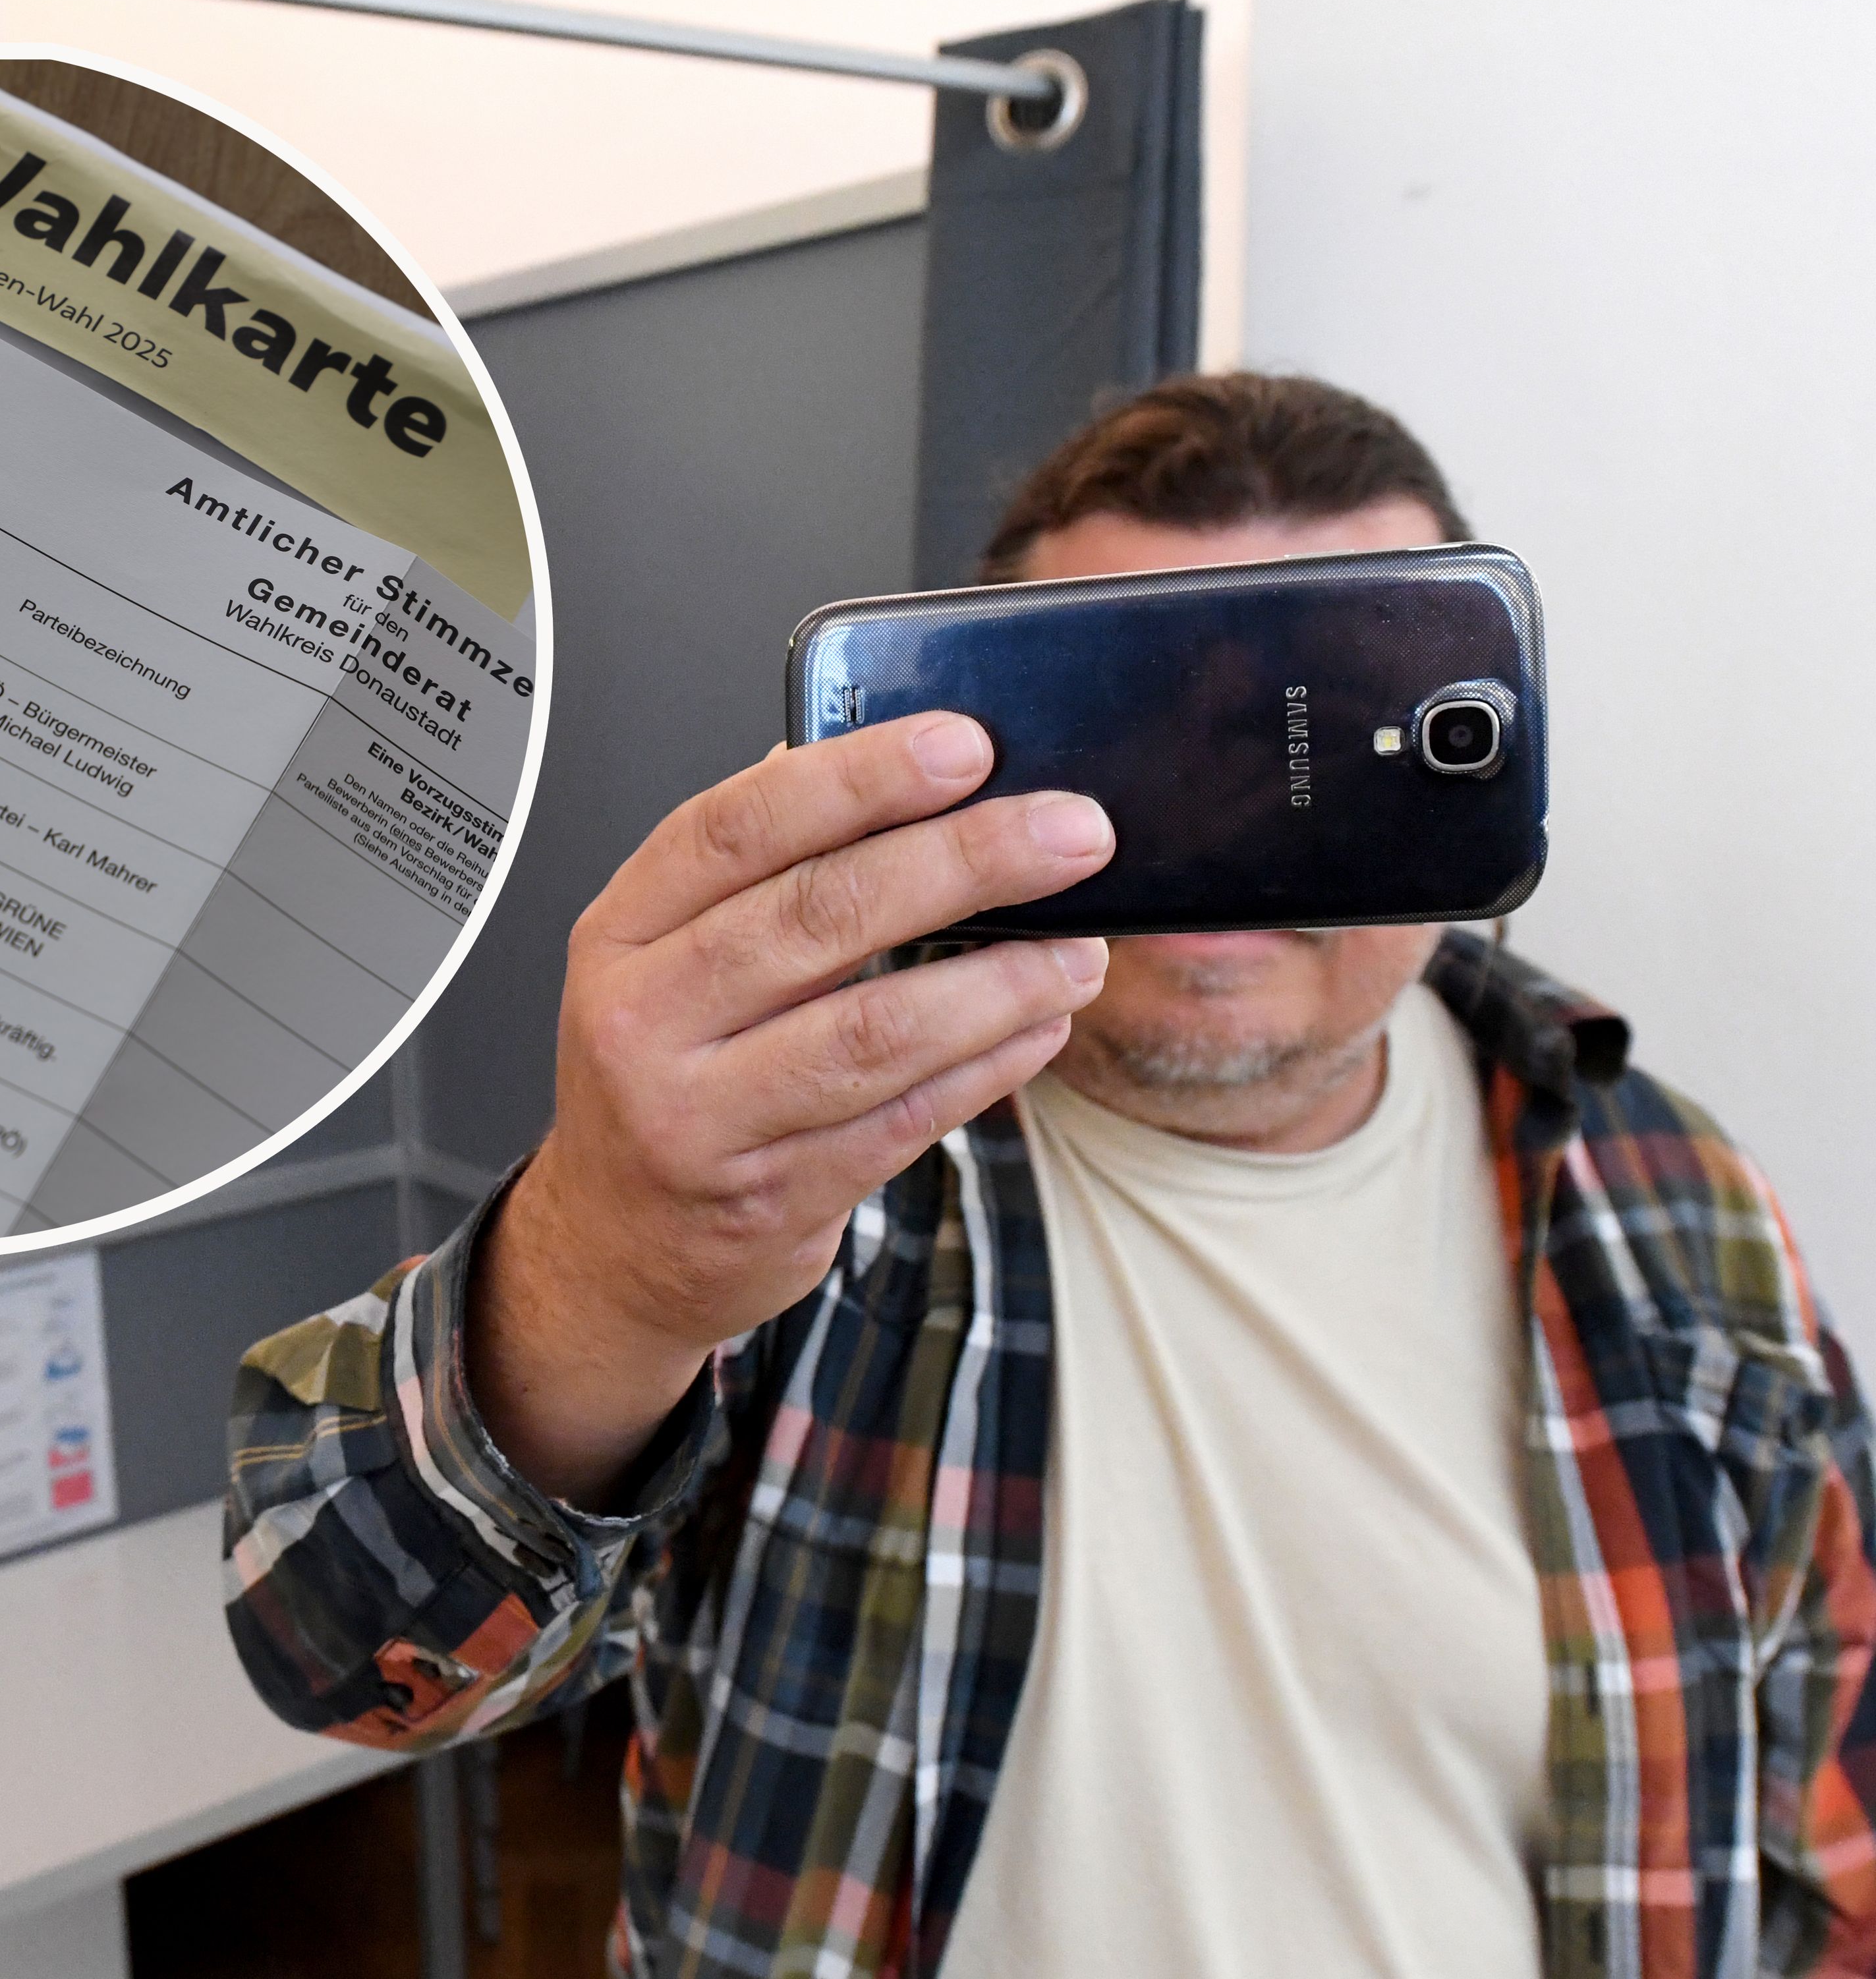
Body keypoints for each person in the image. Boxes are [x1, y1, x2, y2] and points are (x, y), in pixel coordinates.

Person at [223, 373, 1876, 1978]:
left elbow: (1835, 1825)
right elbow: (338, 1648)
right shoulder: (802, 1162)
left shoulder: (1665, 1199)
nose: (1229, 824)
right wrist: (607, 1263)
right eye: (1148, 730)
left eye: (1303, 721)